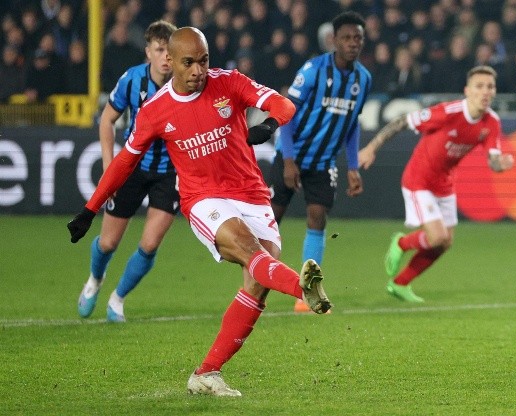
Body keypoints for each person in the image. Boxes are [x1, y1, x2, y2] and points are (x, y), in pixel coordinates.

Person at [67, 27, 332, 396]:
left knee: (257, 285)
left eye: (203, 61)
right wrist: (89, 209)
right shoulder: (155, 110)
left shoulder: (229, 83)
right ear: (171, 62)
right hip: (204, 199)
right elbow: (124, 162)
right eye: (188, 63)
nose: (197, 70)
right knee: (249, 251)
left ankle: (207, 373)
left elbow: (284, 104)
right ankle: (301, 287)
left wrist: (268, 124)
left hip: (252, 194)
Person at [358, 65, 514, 302]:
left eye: (490, 87)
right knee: (437, 237)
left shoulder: (491, 122)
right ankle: (401, 242)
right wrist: (371, 147)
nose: (485, 92)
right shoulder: (448, 112)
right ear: (467, 90)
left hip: (445, 184)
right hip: (419, 180)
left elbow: (493, 160)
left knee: (444, 243)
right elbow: (403, 121)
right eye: (479, 86)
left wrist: (500, 165)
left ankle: (400, 284)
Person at [269, 11, 372, 313]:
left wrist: (352, 165)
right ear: (334, 40)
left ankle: (305, 293)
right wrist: (289, 160)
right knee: (270, 222)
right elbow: (286, 113)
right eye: (347, 38)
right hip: (292, 155)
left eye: (358, 38)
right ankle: (257, 282)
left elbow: (352, 124)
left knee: (317, 217)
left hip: (323, 162)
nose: (353, 43)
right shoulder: (314, 70)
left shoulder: (362, 79)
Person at [76, 20, 178, 323]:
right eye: (160, 50)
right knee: (107, 243)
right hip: (132, 167)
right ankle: (95, 280)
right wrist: (110, 167)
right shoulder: (132, 80)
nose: (166, 57)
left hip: (170, 174)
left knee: (149, 245)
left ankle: (117, 299)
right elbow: (106, 120)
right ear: (148, 52)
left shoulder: (184, 84)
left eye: (169, 51)